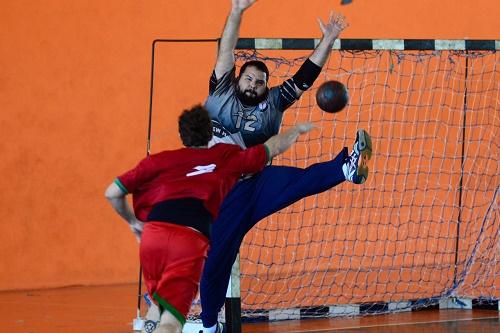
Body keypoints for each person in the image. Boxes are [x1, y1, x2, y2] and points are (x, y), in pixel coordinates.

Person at [198, 1, 372, 333]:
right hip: (221, 195)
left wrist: (329, 38)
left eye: (259, 81)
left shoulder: (274, 104)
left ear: (266, 86)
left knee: (297, 180)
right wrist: (237, 11)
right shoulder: (220, 93)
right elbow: (226, 49)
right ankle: (209, 326)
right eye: (248, 78)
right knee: (217, 262)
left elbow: (305, 77)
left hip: (257, 184)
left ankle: (346, 169)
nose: (252, 84)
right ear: (237, 80)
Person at [105, 104, 314, 333]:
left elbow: (113, 193)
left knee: (158, 309)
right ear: (210, 133)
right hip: (188, 238)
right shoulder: (224, 156)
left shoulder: (158, 161)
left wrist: (134, 224)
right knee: (171, 324)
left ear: (181, 135)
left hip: (153, 236)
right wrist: (297, 130)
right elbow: (270, 148)